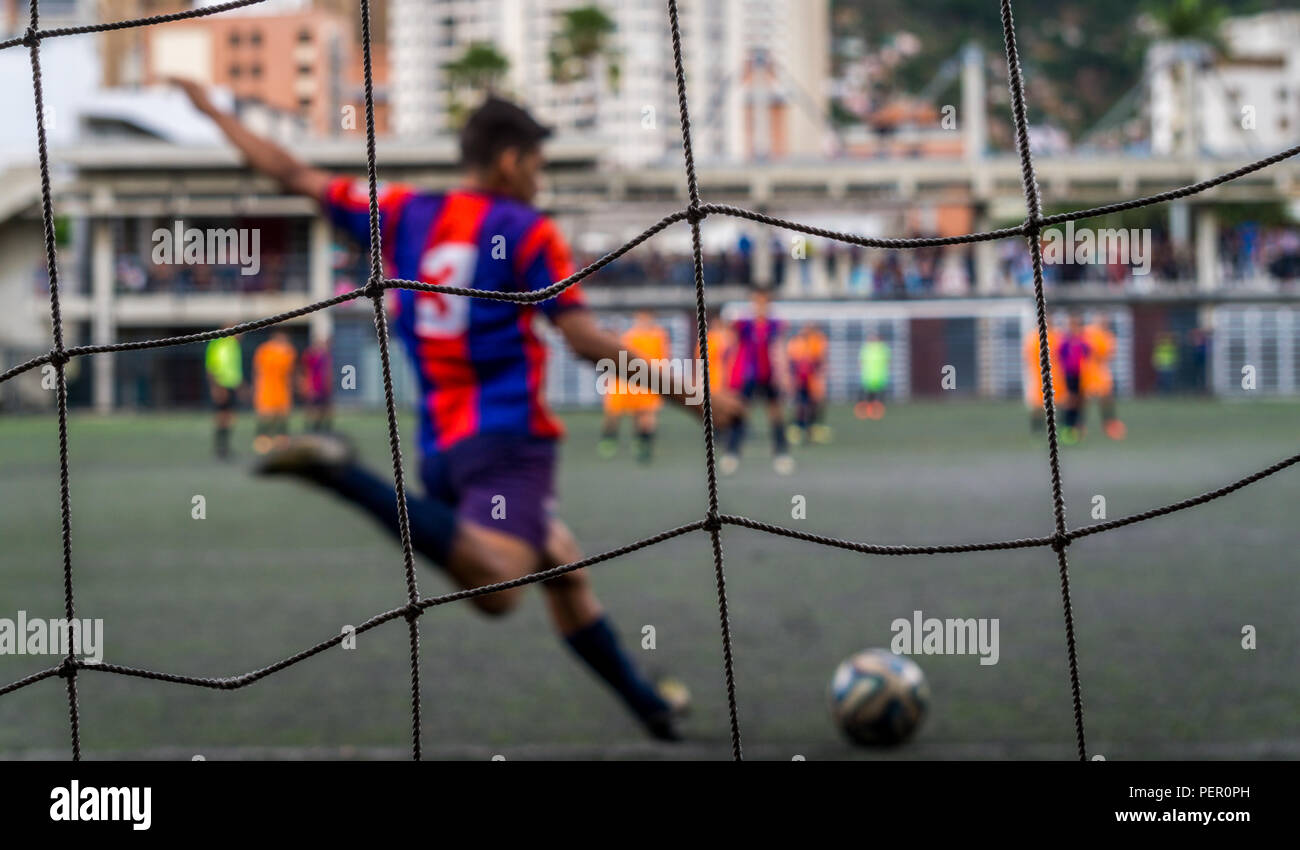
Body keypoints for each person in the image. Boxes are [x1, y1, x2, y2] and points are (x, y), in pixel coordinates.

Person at [173, 81, 741, 740]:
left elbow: (292, 172)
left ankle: (650, 708)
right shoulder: (526, 231)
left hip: (444, 448)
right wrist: (696, 397)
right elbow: (585, 342)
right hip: (508, 440)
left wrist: (216, 113)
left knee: (562, 567)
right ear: (509, 160)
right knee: (500, 592)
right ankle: (344, 475)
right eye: (537, 164)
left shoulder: (406, 211)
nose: (539, 179)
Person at [721, 289, 794, 476]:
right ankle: (732, 453)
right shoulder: (744, 324)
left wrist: (784, 375)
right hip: (749, 374)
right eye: (757, 302)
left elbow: (780, 348)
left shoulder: (775, 325)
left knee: (776, 414)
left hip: (769, 374)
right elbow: (730, 341)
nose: (760, 306)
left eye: (764, 302)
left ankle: (781, 453)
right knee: (740, 413)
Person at [599, 310, 669, 463]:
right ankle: (609, 440)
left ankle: (643, 444)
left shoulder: (658, 336)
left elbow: (662, 358)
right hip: (628, 380)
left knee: (646, 414)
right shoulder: (629, 336)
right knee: (614, 411)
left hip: (649, 380)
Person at [251, 330, 297, 454]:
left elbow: (290, 373)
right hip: (267, 387)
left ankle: (281, 442)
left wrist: (291, 389)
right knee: (266, 415)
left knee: (282, 416)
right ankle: (262, 440)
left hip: (282, 388)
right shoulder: (264, 350)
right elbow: (257, 371)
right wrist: (256, 389)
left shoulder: (289, 351)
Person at [1082, 315, 1125, 440]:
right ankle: (1078, 426)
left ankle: (1109, 425)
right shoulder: (1088, 332)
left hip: (1101, 372)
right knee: (1083, 400)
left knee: (1106, 399)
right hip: (1086, 372)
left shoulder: (1108, 336)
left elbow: (1108, 354)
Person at [786, 322, 830, 444]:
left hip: (813, 378)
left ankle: (813, 427)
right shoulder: (795, 342)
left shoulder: (818, 341)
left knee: (815, 403)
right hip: (800, 378)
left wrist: (821, 376)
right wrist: (791, 379)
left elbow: (821, 360)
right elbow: (791, 362)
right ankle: (799, 427)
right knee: (800, 403)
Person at [205, 329, 243, 459]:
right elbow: (212, 367)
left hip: (231, 385)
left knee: (229, 418)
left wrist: (240, 386)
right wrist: (216, 387)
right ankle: (221, 448)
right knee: (222, 418)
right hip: (223, 385)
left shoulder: (234, 346)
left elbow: (233, 369)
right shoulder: (220, 344)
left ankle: (225, 447)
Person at [1022, 317, 1063, 433]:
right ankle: (1037, 428)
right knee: (1037, 403)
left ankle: (1058, 427)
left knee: (1059, 402)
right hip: (1038, 374)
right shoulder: (1033, 337)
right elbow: (1028, 356)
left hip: (1056, 375)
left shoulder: (1057, 335)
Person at [1056, 313, 1091, 444]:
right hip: (1070, 374)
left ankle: (1078, 426)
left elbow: (1088, 353)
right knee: (1070, 399)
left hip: (1081, 375)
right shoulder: (1065, 341)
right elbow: (1060, 356)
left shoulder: (1082, 340)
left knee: (1081, 400)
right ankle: (1067, 426)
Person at [299, 337, 334, 433]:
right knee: (312, 408)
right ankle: (310, 428)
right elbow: (305, 371)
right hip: (314, 385)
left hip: (324, 386)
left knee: (325, 408)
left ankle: (323, 428)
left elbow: (328, 372)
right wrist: (306, 385)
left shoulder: (326, 356)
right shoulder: (311, 355)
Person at [854, 332, 891, 421]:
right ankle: (871, 412)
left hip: (877, 376)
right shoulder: (873, 348)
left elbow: (887, 362)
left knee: (876, 395)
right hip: (870, 376)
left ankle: (875, 412)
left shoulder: (881, 349)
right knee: (870, 394)